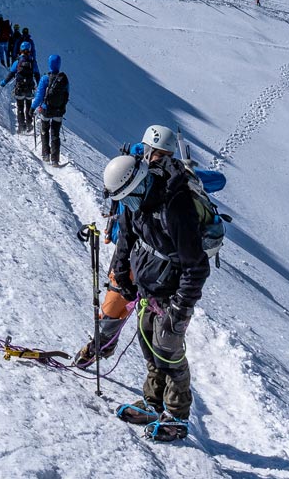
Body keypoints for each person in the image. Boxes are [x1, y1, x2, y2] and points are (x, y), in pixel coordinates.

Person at [79, 126, 210, 442]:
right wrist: (123, 275)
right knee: (150, 345)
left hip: (173, 291)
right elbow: (127, 238)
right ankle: (152, 403)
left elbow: (196, 267)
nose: (128, 204)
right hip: (148, 284)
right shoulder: (135, 200)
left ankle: (177, 416)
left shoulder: (175, 207)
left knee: (170, 349)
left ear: (139, 185)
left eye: (129, 197)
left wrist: (179, 312)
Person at [33, 54, 70, 165]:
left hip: (46, 110)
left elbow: (39, 96)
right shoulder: (64, 79)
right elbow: (67, 95)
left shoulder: (45, 78)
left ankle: (46, 155)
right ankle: (55, 159)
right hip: (58, 111)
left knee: (44, 131)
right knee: (55, 134)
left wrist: (32, 107)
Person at [0, 42, 39, 133]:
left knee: (20, 107)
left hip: (19, 88)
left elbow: (11, 73)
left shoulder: (18, 61)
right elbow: (37, 75)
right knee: (29, 106)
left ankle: (22, 127)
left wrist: (4, 82)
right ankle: (29, 125)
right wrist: (39, 86)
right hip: (29, 88)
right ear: (29, 50)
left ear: (21, 49)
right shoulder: (33, 62)